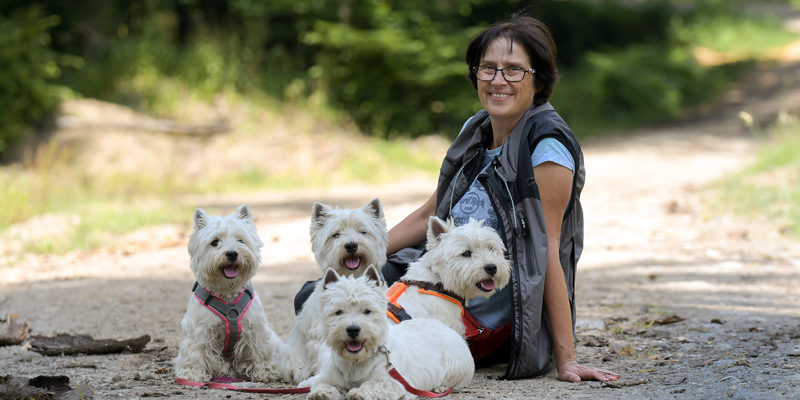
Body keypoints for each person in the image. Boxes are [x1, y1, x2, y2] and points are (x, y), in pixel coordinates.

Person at [382, 14, 620, 382]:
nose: (497, 80)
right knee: (319, 297)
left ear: (538, 78)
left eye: (513, 70)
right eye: (488, 68)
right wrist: (358, 254)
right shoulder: (475, 130)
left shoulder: (548, 149)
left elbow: (548, 250)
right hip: (433, 289)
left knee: (369, 329)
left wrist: (566, 358)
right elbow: (429, 213)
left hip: (476, 320)